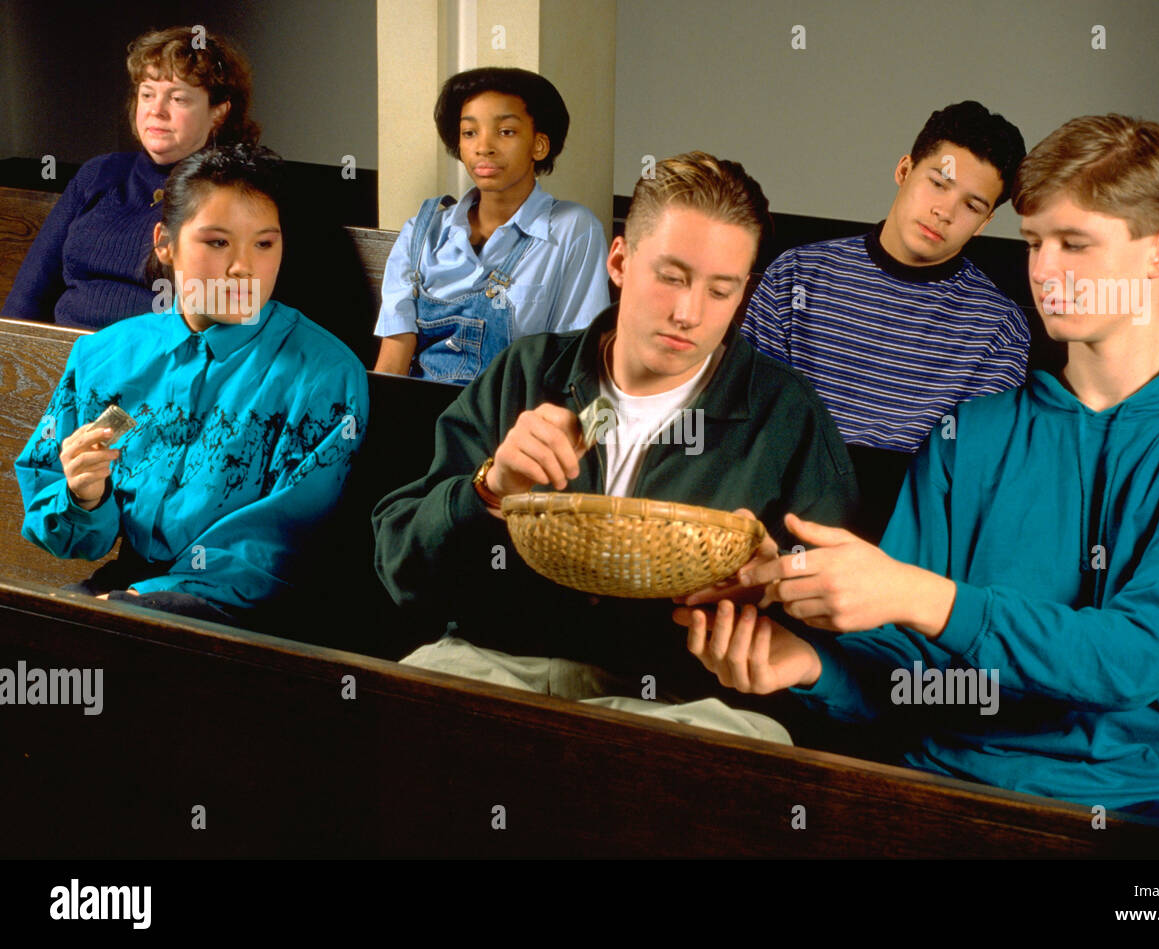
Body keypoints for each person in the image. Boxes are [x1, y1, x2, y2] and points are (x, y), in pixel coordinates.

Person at [678, 116, 1159, 833]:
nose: (1045, 271)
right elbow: (908, 679)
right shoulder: (969, 431)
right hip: (940, 790)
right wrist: (808, 664)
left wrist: (921, 593)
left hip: (1141, 810)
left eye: (1076, 243)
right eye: (1034, 242)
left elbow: (1133, 657)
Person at [373, 152, 859, 741]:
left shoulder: (787, 418)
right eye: (672, 276)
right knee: (392, 708)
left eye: (720, 290)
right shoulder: (526, 372)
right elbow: (399, 572)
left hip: (681, 704)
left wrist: (773, 593)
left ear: (744, 295)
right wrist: (488, 489)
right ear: (621, 259)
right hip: (494, 668)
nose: (688, 314)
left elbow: (841, 649)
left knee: (749, 747)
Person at [14, 144, 369, 629]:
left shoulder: (324, 373)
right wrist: (85, 497)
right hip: (124, 590)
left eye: (264, 244)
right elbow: (60, 528)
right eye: (217, 243)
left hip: (254, 613)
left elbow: (278, 544)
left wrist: (141, 599)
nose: (243, 267)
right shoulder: (104, 356)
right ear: (165, 243)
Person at [742, 101, 1029, 454]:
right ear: (905, 170)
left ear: (984, 223)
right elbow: (749, 425)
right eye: (938, 184)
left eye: (971, 206)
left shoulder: (998, 327)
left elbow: (976, 466)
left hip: (920, 506)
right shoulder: (795, 276)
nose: (944, 212)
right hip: (781, 498)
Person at [2, 26, 259, 328]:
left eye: (178, 99)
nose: (156, 111)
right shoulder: (99, 173)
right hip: (63, 360)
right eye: (147, 94)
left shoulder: (231, 194)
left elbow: (220, 328)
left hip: (154, 365)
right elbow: (27, 297)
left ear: (218, 112)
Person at [372, 67, 609, 383]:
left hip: (513, 423)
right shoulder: (421, 233)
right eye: (470, 133)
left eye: (506, 132)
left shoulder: (572, 230)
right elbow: (393, 363)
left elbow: (575, 361)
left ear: (539, 145)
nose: (484, 147)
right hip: (419, 416)